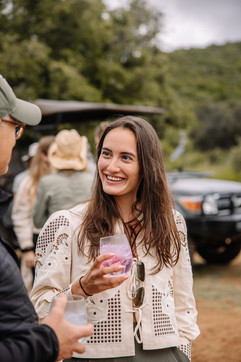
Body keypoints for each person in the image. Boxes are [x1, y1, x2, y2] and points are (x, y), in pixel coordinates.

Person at [31, 115, 200, 362]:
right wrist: (83, 287)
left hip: (164, 353)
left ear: (147, 166)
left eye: (126, 157)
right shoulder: (67, 223)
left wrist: (182, 354)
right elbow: (40, 305)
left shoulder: (172, 222)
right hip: (94, 354)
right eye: (106, 154)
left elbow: (184, 303)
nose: (111, 166)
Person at [0, 74, 93, 362]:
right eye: (16, 129)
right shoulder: (93, 179)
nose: (18, 137)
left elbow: (37, 217)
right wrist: (45, 343)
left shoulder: (47, 183)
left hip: (51, 250)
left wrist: (28, 247)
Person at [12, 135, 55, 292]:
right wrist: (27, 249)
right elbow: (20, 215)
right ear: (44, 156)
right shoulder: (29, 182)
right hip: (36, 241)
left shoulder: (62, 177)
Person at [33, 129, 94, 229]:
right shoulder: (92, 180)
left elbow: (38, 221)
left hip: (56, 241)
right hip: (85, 239)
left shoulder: (46, 182)